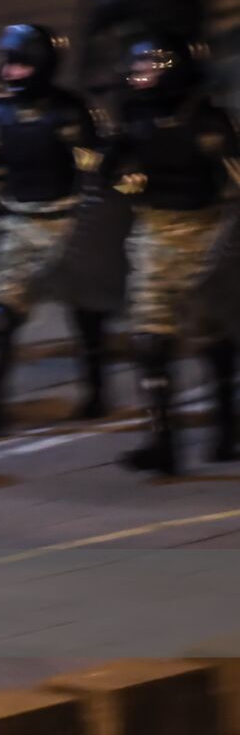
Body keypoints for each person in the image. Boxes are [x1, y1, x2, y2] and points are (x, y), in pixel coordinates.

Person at [0, 25, 109, 436]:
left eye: (21, 64)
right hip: (19, 224)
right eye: (7, 63)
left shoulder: (71, 113)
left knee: (87, 312)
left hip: (70, 222)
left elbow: (95, 172)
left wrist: (103, 226)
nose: (11, 72)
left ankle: (96, 390)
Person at [110, 36, 239, 476]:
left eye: (151, 68)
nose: (140, 75)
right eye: (138, 67)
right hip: (154, 234)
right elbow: (109, 172)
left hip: (206, 234)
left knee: (216, 337)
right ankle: (162, 440)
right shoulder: (132, 119)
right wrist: (122, 179)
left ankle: (225, 431)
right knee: (149, 339)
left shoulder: (208, 123)